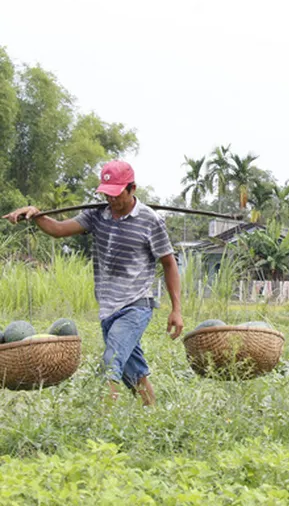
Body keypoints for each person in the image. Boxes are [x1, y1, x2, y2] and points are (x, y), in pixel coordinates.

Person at [3, 160, 183, 404]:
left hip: (135, 305)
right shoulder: (97, 216)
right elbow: (58, 230)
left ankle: (102, 424)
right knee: (135, 371)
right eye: (106, 194)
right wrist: (36, 215)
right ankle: (154, 415)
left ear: (132, 189)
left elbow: (169, 263)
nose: (111, 200)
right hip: (108, 307)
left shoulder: (150, 221)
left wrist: (176, 309)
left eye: (116, 194)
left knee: (112, 360)